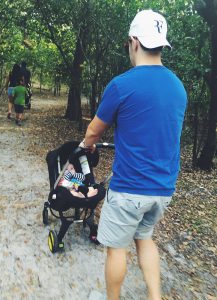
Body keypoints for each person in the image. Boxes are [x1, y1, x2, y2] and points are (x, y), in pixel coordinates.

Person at [81, 9, 187, 300]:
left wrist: (86, 145)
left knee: (117, 249)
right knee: (145, 238)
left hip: (129, 189)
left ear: (134, 42)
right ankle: (155, 297)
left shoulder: (122, 85)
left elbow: (93, 132)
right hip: (163, 190)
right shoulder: (178, 88)